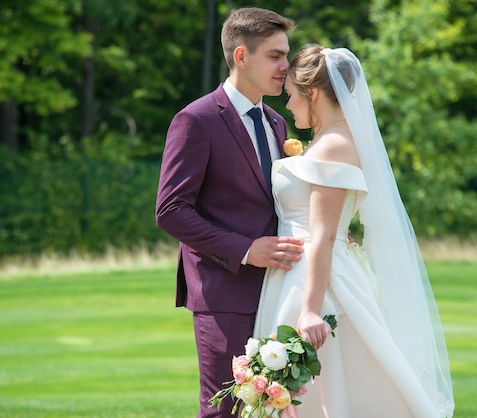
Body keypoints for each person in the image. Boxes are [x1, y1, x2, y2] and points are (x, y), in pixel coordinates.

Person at [254, 45, 455, 417]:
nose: (289, 106)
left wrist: (311, 309)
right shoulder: (330, 140)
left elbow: (324, 235)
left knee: (330, 384)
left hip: (315, 280)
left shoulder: (333, 147)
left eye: (292, 96)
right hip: (301, 269)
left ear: (312, 93)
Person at [155, 8, 304, 418]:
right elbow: (170, 211)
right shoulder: (196, 120)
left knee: (273, 408)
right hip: (224, 292)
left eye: (285, 54)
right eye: (275, 55)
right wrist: (244, 249)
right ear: (242, 56)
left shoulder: (276, 122)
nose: (285, 66)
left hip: (279, 291)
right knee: (227, 410)